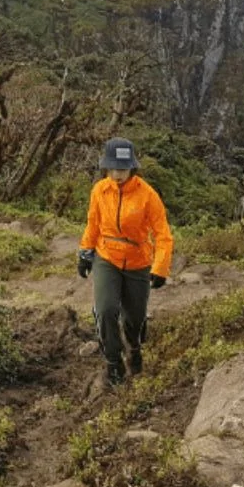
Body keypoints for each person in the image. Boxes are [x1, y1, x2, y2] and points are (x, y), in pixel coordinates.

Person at [77, 137, 173, 386]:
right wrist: (85, 252)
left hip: (138, 261)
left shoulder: (147, 196)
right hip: (106, 256)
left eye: (123, 169)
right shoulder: (100, 190)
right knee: (106, 309)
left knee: (135, 318)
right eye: (113, 168)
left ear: (132, 168)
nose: (118, 174)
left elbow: (163, 235)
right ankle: (113, 361)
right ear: (106, 168)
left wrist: (160, 267)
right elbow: (93, 223)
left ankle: (135, 349)